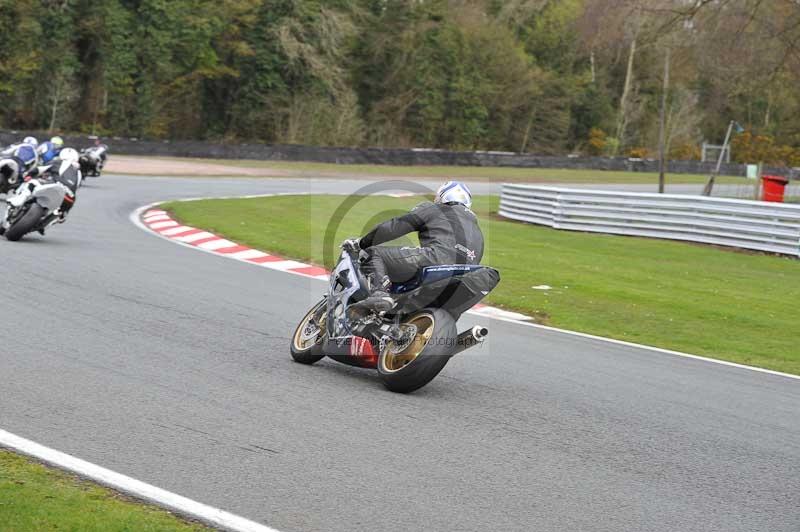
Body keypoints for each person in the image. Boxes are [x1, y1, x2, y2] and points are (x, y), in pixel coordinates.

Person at [346, 181, 484, 311]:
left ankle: (379, 294)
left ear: (443, 196)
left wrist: (362, 242)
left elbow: (393, 227)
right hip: (466, 277)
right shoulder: (478, 231)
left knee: (374, 253)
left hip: (435, 260)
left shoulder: (437, 209)